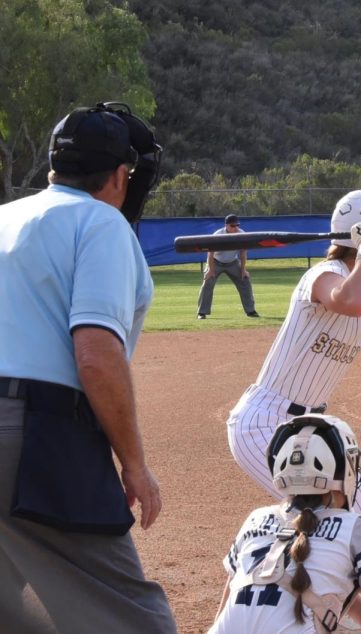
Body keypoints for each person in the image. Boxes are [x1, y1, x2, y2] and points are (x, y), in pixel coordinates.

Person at [0, 103, 176, 631]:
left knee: (14, 606)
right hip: (36, 434)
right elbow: (97, 355)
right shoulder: (102, 223)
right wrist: (135, 465)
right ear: (121, 176)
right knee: (133, 616)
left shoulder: (6, 216)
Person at [226, 190, 361, 521]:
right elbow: (352, 302)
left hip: (309, 428)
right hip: (264, 424)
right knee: (338, 524)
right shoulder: (322, 275)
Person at [209, 414, 361, 634]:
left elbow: (226, 615)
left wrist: (327, 601)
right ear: (346, 471)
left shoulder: (254, 519)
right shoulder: (358, 531)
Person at [197, 213, 259, 319]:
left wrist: (243, 270)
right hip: (215, 262)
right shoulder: (218, 235)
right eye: (232, 226)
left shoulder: (242, 234)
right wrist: (210, 270)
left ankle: (250, 311)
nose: (235, 228)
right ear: (226, 225)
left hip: (232, 262)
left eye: (237, 225)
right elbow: (210, 254)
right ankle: (202, 313)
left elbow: (243, 254)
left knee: (245, 280)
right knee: (208, 281)